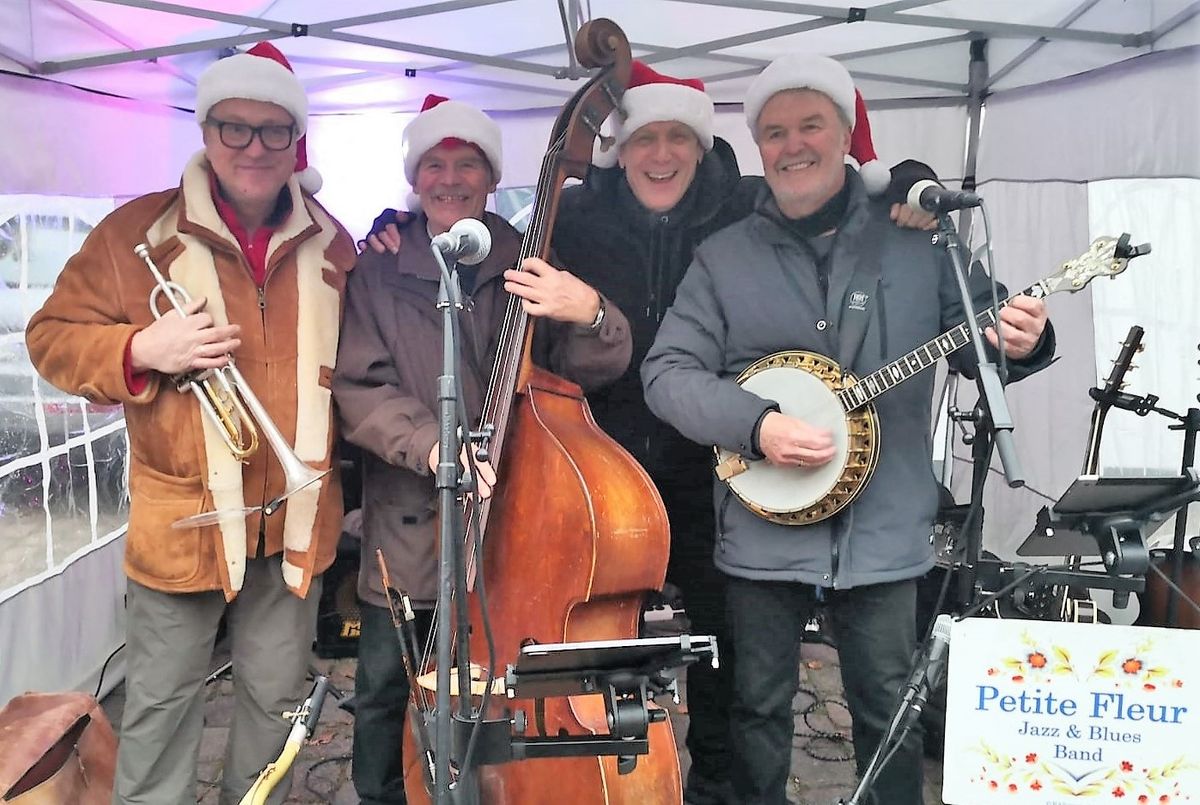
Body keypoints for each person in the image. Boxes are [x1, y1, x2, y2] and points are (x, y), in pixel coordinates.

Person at [364, 61, 937, 805]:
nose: (660, 155)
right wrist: (392, 225)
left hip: (719, 467)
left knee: (729, 659)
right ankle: (595, 771)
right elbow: (501, 256)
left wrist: (909, 182)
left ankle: (718, 788)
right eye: (643, 139)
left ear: (702, 147)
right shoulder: (570, 215)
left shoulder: (747, 205)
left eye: (677, 138)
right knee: (591, 642)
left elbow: (841, 192)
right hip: (592, 464)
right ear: (616, 149)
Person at [640, 53, 1054, 805]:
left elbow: (980, 339)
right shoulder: (724, 257)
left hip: (884, 533)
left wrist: (1021, 339)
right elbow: (667, 373)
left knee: (889, 711)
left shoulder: (919, 241)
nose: (792, 145)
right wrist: (756, 424)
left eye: (810, 125)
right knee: (755, 713)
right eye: (774, 132)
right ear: (758, 147)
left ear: (844, 134)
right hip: (764, 530)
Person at [25, 42, 355, 804]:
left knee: (273, 709)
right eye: (233, 127)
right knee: (162, 711)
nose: (253, 147)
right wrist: (141, 346)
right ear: (205, 131)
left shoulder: (334, 240)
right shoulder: (132, 232)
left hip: (296, 520)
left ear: (295, 142)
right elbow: (49, 337)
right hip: (184, 524)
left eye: (274, 131)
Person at [330, 94, 633, 805]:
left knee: (502, 687)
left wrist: (589, 311)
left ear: (491, 176)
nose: (450, 177)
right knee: (383, 688)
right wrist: (434, 445)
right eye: (434, 162)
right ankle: (384, 795)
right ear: (415, 175)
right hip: (409, 529)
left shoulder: (530, 260)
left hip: (514, 522)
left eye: (467, 162)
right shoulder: (379, 268)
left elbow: (592, 368)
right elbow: (359, 387)